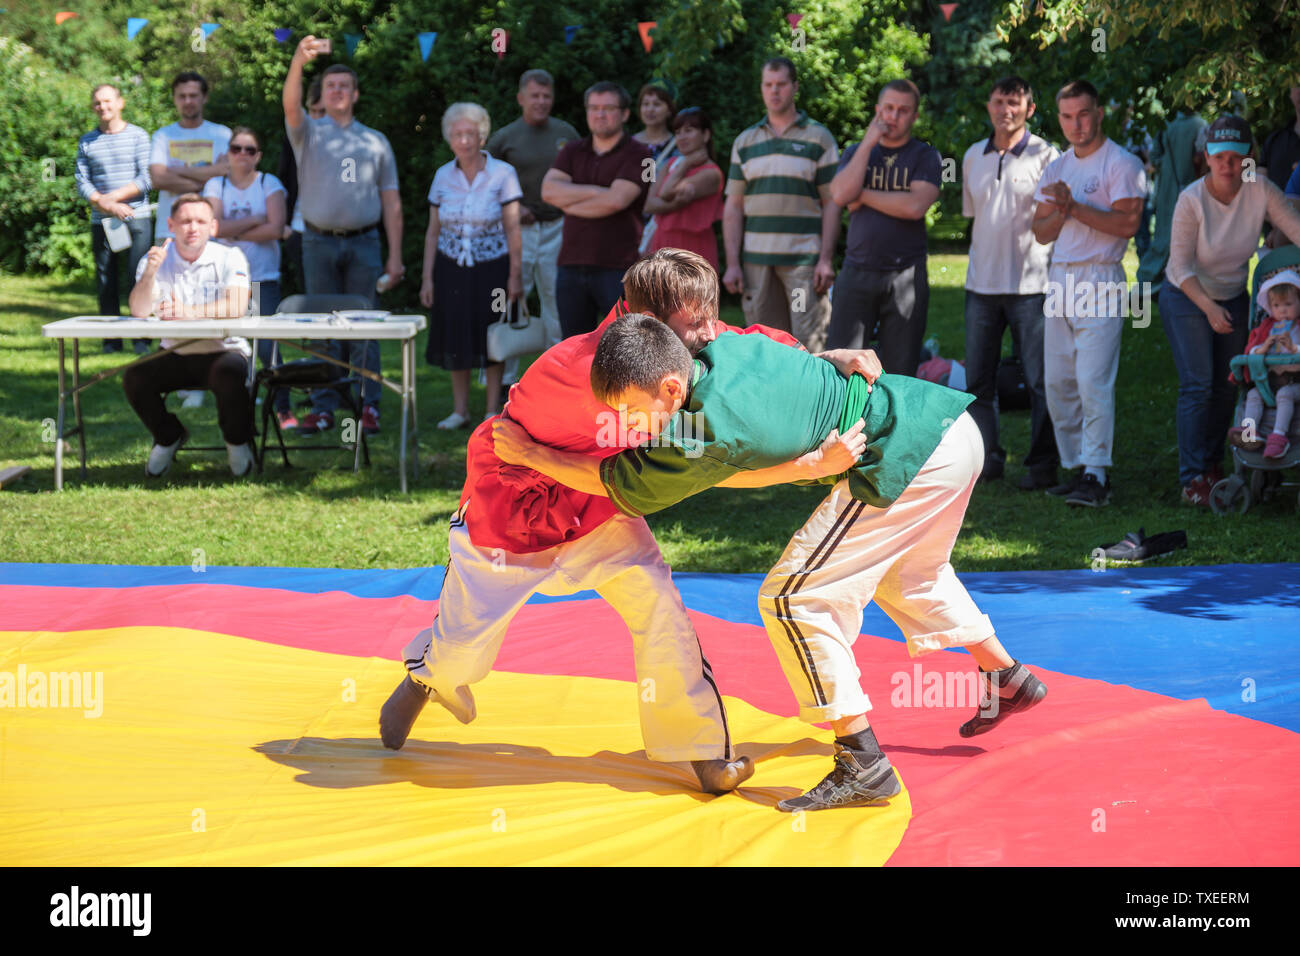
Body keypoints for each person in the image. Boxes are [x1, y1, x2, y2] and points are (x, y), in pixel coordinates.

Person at [493, 313, 1049, 812]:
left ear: (669, 384)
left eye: (634, 416)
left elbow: (616, 486)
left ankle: (863, 763)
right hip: (947, 427)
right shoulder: (720, 351)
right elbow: (759, 401)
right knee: (912, 573)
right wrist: (832, 360)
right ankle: (1005, 675)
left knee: (792, 598)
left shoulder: (707, 428)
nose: (631, 431)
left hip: (908, 455)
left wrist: (531, 454)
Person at [378, 249, 875, 794]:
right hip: (512, 515)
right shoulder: (579, 369)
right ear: (652, 324)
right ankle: (428, 675)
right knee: (462, 650)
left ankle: (703, 750)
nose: (709, 331)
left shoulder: (673, 342)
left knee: (659, 607)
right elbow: (682, 462)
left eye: (708, 316)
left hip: (598, 505)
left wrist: (824, 359)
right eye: (695, 322)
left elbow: (741, 342)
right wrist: (795, 468)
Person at [1160, 115, 1300, 504]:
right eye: (1219, 156)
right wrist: (1208, 308)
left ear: (1249, 157)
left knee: (1229, 383)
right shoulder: (1191, 199)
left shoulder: (1260, 190)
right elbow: (1179, 268)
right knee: (1198, 385)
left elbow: (1295, 227)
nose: (1227, 165)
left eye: (1236, 157)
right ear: (1206, 157)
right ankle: (1191, 479)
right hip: (1187, 296)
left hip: (1234, 293)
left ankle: (1212, 464)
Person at [1031, 79, 1146, 507]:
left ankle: (1098, 474)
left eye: (1083, 114)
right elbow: (1041, 232)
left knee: (1092, 379)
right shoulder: (1058, 166)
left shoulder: (1122, 162)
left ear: (1098, 113)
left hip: (1101, 277)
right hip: (1060, 277)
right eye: (1067, 116)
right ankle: (1079, 466)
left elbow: (1126, 225)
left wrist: (1072, 208)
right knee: (1058, 380)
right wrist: (1063, 211)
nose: (1076, 124)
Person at [283, 38, 404, 437]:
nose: (337, 91)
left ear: (355, 94)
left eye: (343, 86)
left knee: (365, 325)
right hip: (317, 242)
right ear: (323, 94)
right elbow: (290, 105)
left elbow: (391, 202)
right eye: (330, 86)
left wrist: (395, 256)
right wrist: (299, 60)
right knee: (323, 327)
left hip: (365, 243)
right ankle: (324, 409)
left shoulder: (376, 141)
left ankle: (369, 406)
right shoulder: (308, 133)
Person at [960, 76, 1060, 488]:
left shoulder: (1047, 155)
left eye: (1015, 103)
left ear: (1030, 109)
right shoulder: (971, 156)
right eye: (999, 101)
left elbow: (1053, 220)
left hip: (1031, 287)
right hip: (979, 287)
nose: (1006, 110)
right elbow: (975, 217)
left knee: (1041, 381)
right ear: (989, 106)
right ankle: (988, 460)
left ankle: (1041, 466)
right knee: (978, 381)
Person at [123, 194, 254, 478]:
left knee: (230, 373)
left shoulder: (230, 256)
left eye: (200, 221)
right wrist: (149, 275)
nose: (192, 227)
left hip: (224, 351)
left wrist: (189, 312)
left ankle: (237, 442)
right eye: (184, 221)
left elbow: (238, 305)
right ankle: (169, 435)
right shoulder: (154, 258)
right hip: (176, 352)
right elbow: (139, 310)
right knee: (134, 377)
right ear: (171, 225)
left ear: (213, 227)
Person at [827, 79, 942, 378]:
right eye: (888, 108)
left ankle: (891, 424)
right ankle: (844, 424)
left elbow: (915, 206)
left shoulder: (926, 156)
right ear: (878, 110)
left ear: (915, 116)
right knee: (842, 362)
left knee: (899, 368)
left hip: (905, 274)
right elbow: (839, 195)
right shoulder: (856, 152)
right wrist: (868, 143)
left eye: (903, 110)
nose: (893, 116)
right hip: (856, 270)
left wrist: (861, 195)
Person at [723, 57, 839, 352]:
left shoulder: (819, 137)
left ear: (795, 87)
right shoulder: (745, 142)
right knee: (763, 344)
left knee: (809, 346)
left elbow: (832, 202)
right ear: (761, 88)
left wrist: (826, 259)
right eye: (768, 85)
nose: (774, 91)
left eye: (781, 84)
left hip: (803, 261)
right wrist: (733, 263)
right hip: (755, 262)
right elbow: (734, 207)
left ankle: (815, 399)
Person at [420, 103, 523, 429]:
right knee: (455, 335)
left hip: (493, 266)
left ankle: (492, 410)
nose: (464, 140)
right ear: (449, 138)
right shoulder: (441, 176)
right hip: (451, 267)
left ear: (482, 136)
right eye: (457, 134)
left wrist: (515, 276)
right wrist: (427, 278)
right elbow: (433, 230)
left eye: (470, 134)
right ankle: (459, 410)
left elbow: (513, 228)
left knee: (492, 335)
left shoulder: (503, 173)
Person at [542, 81, 653, 338]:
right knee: (574, 346)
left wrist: (569, 199)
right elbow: (548, 192)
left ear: (625, 114)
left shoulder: (641, 154)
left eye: (607, 108)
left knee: (626, 343)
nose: (599, 114)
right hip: (570, 264)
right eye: (593, 108)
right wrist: (597, 191)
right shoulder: (571, 150)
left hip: (618, 267)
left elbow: (617, 201)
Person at [149, 71, 233, 408]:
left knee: (204, 299)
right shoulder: (162, 134)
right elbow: (157, 177)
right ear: (174, 99)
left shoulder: (221, 134)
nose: (188, 101)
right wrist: (205, 174)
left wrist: (178, 176)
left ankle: (207, 374)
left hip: (206, 230)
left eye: (194, 95)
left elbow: (226, 171)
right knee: (169, 303)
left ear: (204, 98)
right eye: (182, 96)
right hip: (169, 230)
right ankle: (180, 375)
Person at [202, 126, 291, 428]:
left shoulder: (269, 182)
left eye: (249, 150)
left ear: (259, 156)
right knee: (231, 347)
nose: (242, 154)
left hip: (262, 278)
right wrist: (255, 219)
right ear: (228, 153)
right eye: (237, 148)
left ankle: (282, 408)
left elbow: (276, 229)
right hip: (227, 281)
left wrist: (231, 226)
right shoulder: (216, 185)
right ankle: (237, 410)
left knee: (267, 347)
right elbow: (212, 228)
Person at [486, 69, 579, 348]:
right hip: (518, 230)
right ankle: (501, 372)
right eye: (534, 96)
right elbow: (486, 184)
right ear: (521, 98)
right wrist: (514, 207)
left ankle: (558, 372)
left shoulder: (566, 133)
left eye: (546, 96)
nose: (540, 101)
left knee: (556, 298)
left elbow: (582, 176)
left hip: (558, 226)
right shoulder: (504, 138)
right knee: (510, 295)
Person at [75, 83, 153, 354]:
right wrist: (105, 205)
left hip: (137, 217)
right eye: (97, 102)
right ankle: (111, 341)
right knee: (106, 280)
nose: (103, 107)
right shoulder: (86, 141)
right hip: (102, 221)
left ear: (120, 103)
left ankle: (141, 338)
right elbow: (82, 182)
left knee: (138, 277)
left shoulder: (139, 136)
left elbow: (146, 178)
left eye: (107, 101)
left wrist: (114, 199)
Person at [643, 108, 724, 270]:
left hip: (693, 248)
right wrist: (674, 205)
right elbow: (648, 205)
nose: (682, 137)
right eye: (678, 132)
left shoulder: (711, 173)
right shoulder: (670, 163)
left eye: (689, 130)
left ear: (706, 135)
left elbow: (665, 192)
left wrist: (685, 164)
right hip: (662, 243)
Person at [1229, 273, 1300, 459]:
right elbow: (1251, 350)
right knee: (1253, 394)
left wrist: (1293, 348)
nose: (1282, 311)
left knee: (1285, 395)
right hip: (1270, 381)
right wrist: (1264, 347)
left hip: (1295, 381)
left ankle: (1278, 436)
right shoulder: (1267, 328)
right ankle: (1249, 432)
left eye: (1288, 304)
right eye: (1276, 306)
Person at [1136, 109, 1208, 288]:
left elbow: (1154, 157)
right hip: (1191, 190)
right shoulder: (1201, 126)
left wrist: (1167, 165)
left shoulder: (1167, 125)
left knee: (1163, 235)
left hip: (1167, 191)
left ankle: (1150, 278)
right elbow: (1202, 163)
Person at [277, 77, 325, 302]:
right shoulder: (298, 136)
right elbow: (285, 179)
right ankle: (316, 339)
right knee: (312, 299)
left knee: (341, 300)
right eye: (312, 111)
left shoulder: (351, 141)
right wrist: (286, 226)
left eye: (322, 111)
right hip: (300, 230)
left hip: (337, 233)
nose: (316, 117)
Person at [632, 80, 678, 163]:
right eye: (646, 104)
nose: (650, 109)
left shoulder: (678, 145)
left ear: (670, 110)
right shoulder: (628, 144)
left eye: (657, 104)